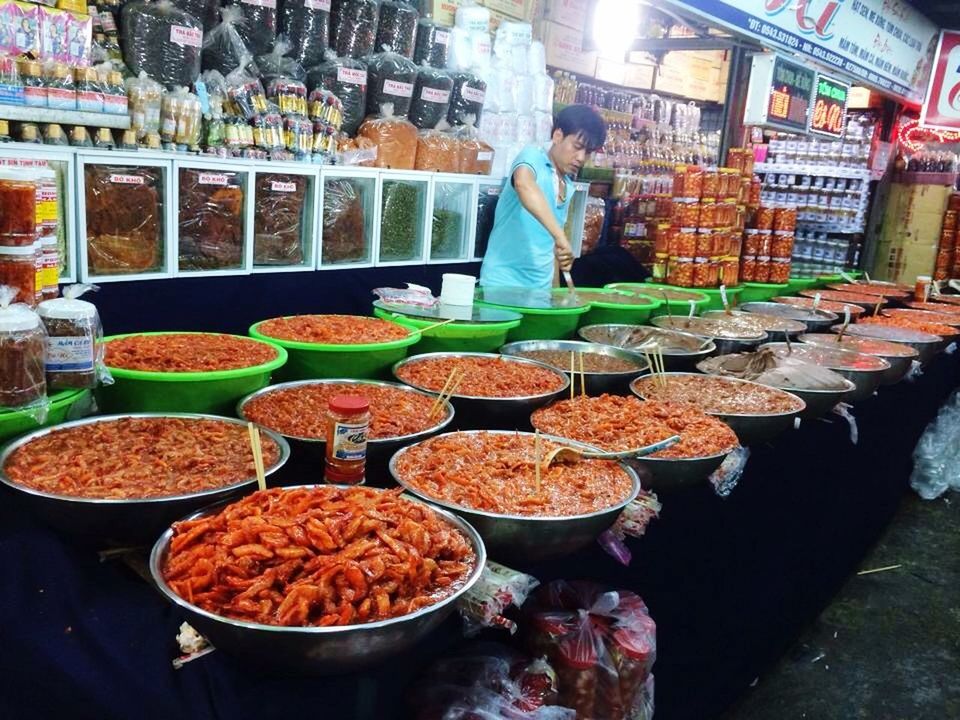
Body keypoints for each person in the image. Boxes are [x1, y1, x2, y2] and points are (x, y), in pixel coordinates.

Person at [479, 105, 607, 291]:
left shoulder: (567, 185)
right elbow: (524, 185)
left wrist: (554, 292)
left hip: (540, 288)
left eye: (588, 152)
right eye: (577, 147)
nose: (581, 158)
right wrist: (560, 235)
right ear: (557, 136)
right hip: (503, 283)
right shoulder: (532, 157)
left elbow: (553, 249)